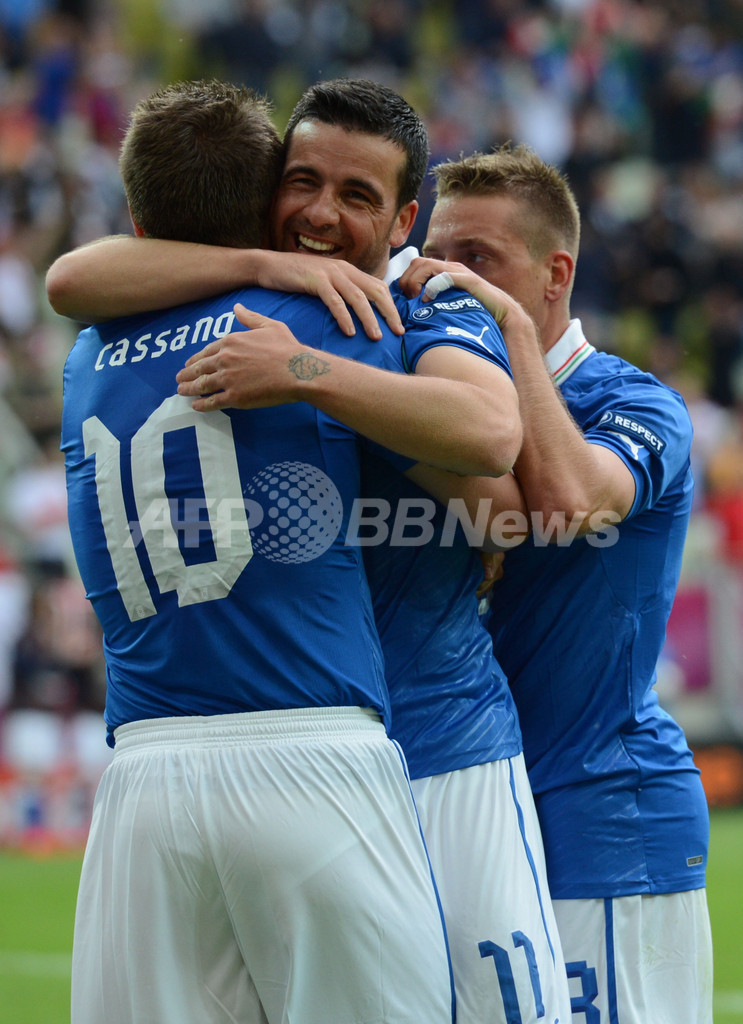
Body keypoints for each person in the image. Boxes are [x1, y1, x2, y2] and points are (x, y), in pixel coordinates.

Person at [49, 79, 571, 1024]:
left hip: (150, 769)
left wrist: (301, 372)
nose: (322, 216)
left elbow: (68, 281)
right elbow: (497, 476)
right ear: (263, 196)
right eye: (303, 183)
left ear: (405, 220)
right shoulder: (329, 310)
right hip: (311, 741)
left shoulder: (94, 346)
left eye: (356, 195)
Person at [398, 143, 714, 1024]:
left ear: (554, 274)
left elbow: (571, 501)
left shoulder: (635, 404)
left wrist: (502, 326)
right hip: (467, 810)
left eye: (477, 258)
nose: (444, 278)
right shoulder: (435, 397)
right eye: (436, 253)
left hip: (600, 810)